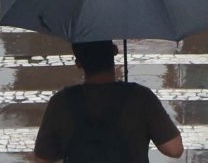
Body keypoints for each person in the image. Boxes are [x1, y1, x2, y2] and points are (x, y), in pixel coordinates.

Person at [34, 41, 183, 163]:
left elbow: (42, 158)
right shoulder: (140, 97)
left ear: (78, 63)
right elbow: (174, 149)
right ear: (114, 51)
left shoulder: (61, 102)